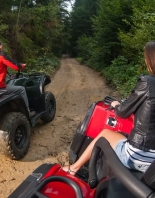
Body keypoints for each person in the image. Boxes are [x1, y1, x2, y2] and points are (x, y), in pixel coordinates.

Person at [63, 41, 155, 175]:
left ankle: (74, 168)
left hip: (139, 157)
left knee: (105, 134)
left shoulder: (147, 83)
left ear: (150, 59)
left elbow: (123, 112)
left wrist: (117, 105)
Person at [0, 39, 35, 116]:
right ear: (0, 47)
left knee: (7, 86)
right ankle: (27, 112)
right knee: (21, 89)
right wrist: (22, 65)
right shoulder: (1, 56)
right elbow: (15, 66)